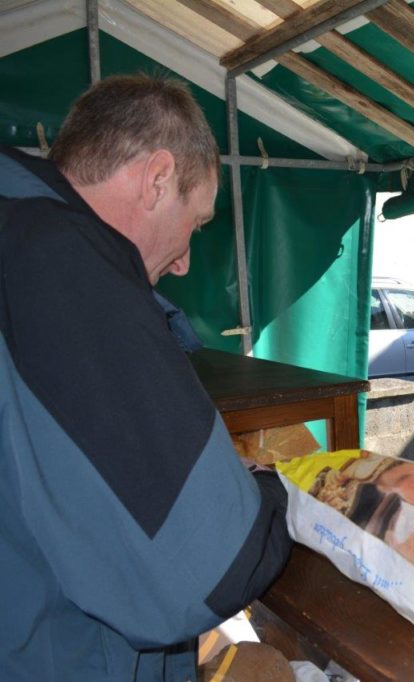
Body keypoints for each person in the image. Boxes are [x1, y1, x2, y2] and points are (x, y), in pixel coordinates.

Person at [0, 75, 292, 681]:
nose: (185, 260)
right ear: (158, 178)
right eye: (198, 220)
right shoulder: (64, 265)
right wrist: (272, 492)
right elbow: (207, 569)